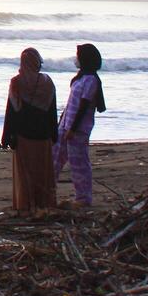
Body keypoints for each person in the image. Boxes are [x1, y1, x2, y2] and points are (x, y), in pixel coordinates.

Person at [0, 47, 57, 213]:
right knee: (42, 171)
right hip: (44, 135)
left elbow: (11, 111)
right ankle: (44, 203)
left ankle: (25, 204)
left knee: (25, 173)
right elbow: (52, 111)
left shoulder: (17, 82)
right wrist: (55, 134)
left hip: (23, 135)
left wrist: (7, 137)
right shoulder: (47, 82)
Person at [54, 42, 107, 207]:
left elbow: (84, 106)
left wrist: (73, 129)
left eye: (78, 56)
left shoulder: (91, 80)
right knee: (55, 158)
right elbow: (71, 103)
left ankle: (83, 198)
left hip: (78, 129)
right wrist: (61, 123)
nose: (76, 59)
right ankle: (48, 192)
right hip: (65, 125)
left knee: (79, 163)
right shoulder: (80, 78)